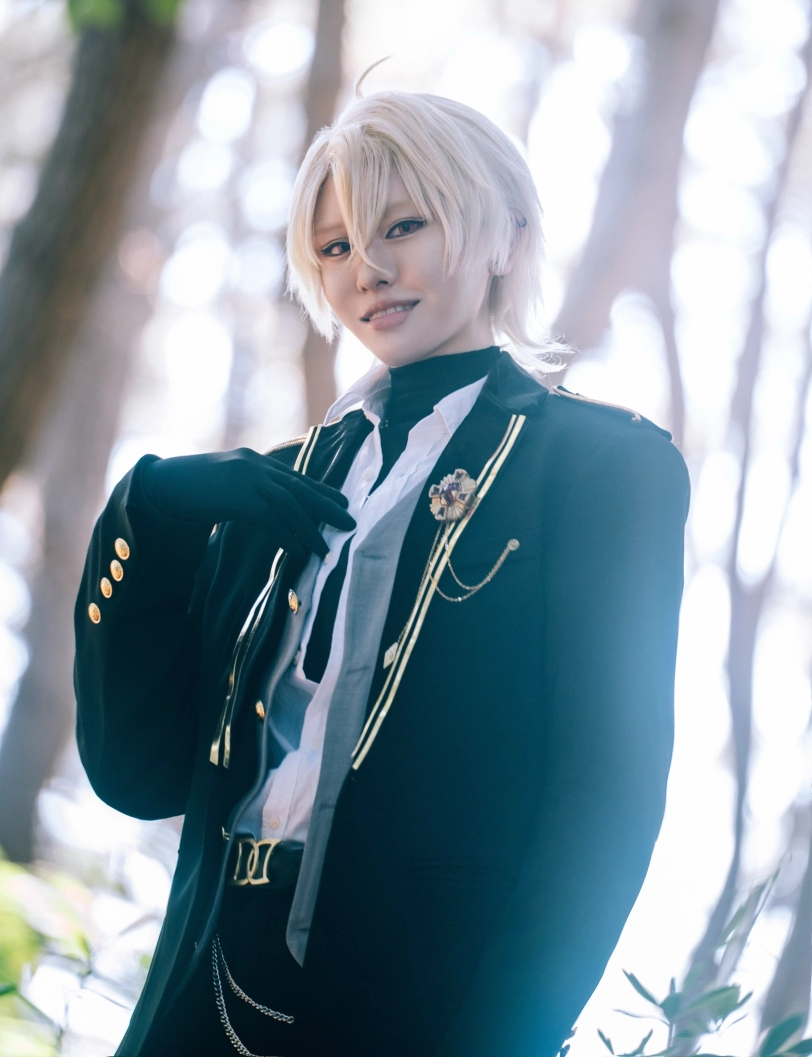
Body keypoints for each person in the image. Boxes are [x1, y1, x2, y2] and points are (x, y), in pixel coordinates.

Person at [74, 91, 690, 1057]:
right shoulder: (267, 489)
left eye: (403, 226)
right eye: (335, 247)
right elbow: (139, 775)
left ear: (504, 237)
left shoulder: (601, 467)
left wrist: (505, 1043)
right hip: (199, 996)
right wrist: (144, 519)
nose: (368, 269)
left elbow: (604, 800)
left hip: (420, 1012)